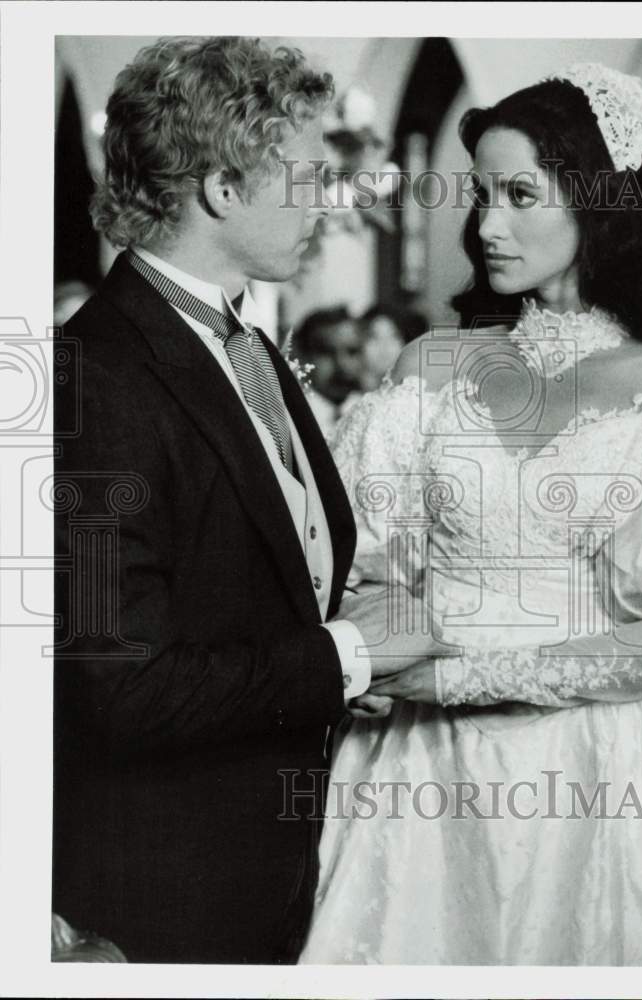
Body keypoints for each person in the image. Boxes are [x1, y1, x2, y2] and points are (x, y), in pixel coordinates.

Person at [300, 64, 642, 965]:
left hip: (595, 777)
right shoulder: (432, 366)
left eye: (520, 193)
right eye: (481, 193)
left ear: (603, 201)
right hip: (415, 773)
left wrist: (452, 682)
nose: (486, 224)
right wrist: (370, 650)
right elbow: (357, 563)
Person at [53, 36, 445, 965]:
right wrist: (345, 654)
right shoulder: (94, 377)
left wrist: (347, 665)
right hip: (164, 898)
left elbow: (259, 582)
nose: (328, 202)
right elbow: (123, 686)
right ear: (224, 191)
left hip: (274, 867)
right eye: (308, 178)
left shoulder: (248, 347)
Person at [289, 306, 364, 439]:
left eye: (352, 351)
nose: (342, 364)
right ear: (302, 356)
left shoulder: (370, 412)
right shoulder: (290, 420)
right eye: (326, 353)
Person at [358, 303, 428, 391]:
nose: (384, 347)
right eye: (374, 337)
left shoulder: (421, 395)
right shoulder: (349, 398)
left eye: (393, 336)